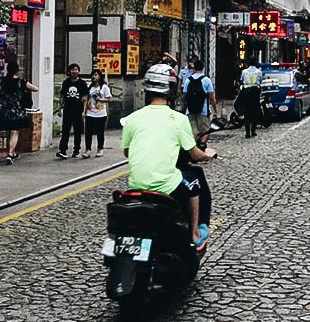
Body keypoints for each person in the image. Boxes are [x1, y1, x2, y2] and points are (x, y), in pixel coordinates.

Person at [122, 63, 217, 247]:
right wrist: (208, 154)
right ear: (171, 89)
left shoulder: (132, 118)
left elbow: (127, 151)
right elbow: (195, 154)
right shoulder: (179, 119)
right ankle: (195, 234)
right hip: (167, 186)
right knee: (195, 183)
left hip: (136, 185)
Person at [0, 61, 38, 164]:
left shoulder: (4, 82)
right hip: (17, 110)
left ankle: (12, 151)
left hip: (6, 110)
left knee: (8, 132)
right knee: (15, 132)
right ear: (17, 70)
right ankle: (10, 153)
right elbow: (35, 89)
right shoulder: (21, 82)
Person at [56, 64, 88, 159]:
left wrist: (84, 111)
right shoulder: (66, 82)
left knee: (77, 131)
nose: (74, 71)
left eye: (76, 69)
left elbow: (85, 98)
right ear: (69, 71)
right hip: (68, 110)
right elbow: (62, 96)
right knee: (65, 130)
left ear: (78, 71)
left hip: (78, 110)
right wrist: (59, 108)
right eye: (72, 70)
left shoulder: (82, 83)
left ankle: (76, 150)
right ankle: (63, 150)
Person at [182, 58, 216, 146]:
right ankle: (201, 146)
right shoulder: (206, 80)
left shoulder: (188, 80)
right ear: (203, 68)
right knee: (206, 130)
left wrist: (183, 109)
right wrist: (215, 110)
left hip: (190, 109)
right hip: (203, 110)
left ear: (194, 68)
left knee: (194, 131)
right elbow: (212, 97)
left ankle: (193, 149)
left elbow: (184, 96)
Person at [83, 69, 111, 158]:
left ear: (99, 76)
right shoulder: (89, 87)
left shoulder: (104, 87)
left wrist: (100, 99)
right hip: (90, 112)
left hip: (101, 113)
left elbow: (109, 98)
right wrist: (84, 111)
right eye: (93, 75)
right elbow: (86, 99)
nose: (94, 77)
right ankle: (88, 150)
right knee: (88, 132)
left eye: (95, 75)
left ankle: (100, 149)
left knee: (100, 132)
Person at [238, 61, 263, 138]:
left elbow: (241, 80)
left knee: (247, 113)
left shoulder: (244, 72)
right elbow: (260, 81)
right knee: (254, 112)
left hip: (246, 93)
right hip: (255, 93)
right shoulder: (259, 72)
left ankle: (247, 132)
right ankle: (253, 131)